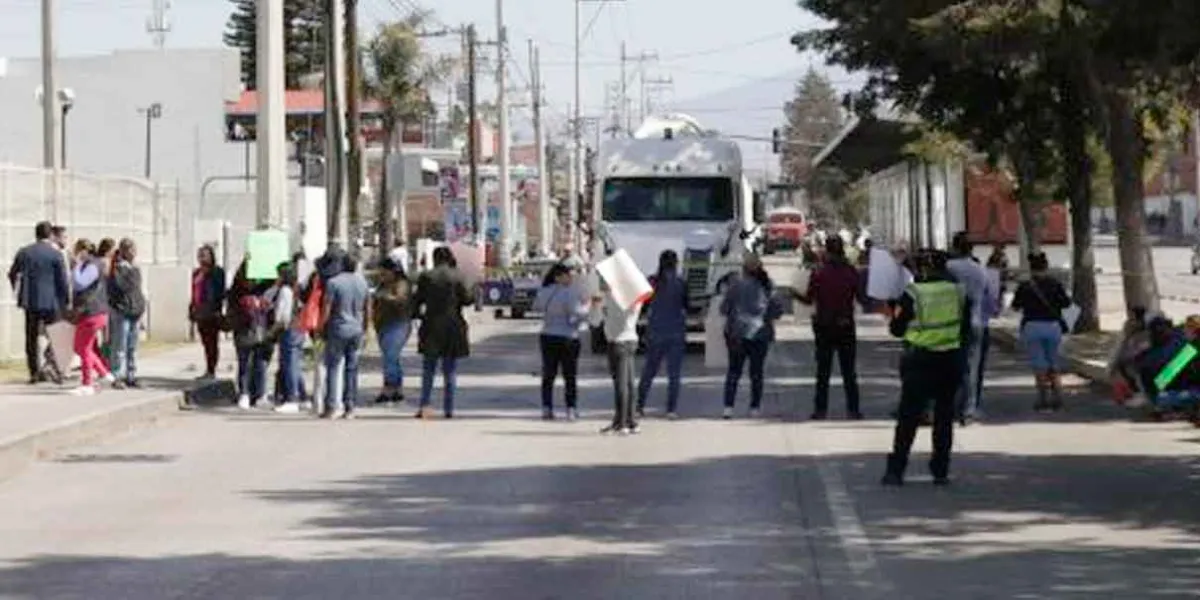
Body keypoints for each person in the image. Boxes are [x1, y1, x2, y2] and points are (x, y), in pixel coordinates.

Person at [881, 249, 970, 487]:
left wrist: (894, 309)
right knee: (943, 417)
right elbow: (966, 329)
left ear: (924, 269)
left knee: (908, 417)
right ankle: (940, 469)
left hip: (919, 361)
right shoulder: (959, 292)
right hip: (949, 360)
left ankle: (896, 470)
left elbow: (897, 329)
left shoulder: (914, 292)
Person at [798, 236, 863, 420]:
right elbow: (860, 295)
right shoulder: (851, 271)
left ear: (827, 250)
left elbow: (809, 299)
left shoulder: (819, 273)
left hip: (824, 326)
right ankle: (853, 410)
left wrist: (795, 294)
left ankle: (820, 410)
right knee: (849, 371)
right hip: (845, 325)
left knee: (823, 372)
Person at [411, 247, 474, 419]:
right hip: (453, 325)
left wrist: (416, 315)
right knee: (450, 370)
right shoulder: (458, 276)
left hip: (431, 325)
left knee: (428, 369)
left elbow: (416, 301)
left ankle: (425, 405)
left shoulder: (426, 276)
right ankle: (449, 408)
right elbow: (468, 299)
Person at [720, 253, 784, 419]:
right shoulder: (768, 285)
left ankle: (728, 407)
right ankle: (754, 407)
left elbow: (724, 308)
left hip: (737, 332)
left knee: (734, 371)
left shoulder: (735, 285)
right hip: (760, 333)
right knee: (756, 372)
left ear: (744, 268)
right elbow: (777, 310)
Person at [7, 221, 70, 384]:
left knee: (31, 337)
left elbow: (12, 273)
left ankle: (34, 372)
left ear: (36, 234)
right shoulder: (55, 254)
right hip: (52, 300)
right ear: (50, 235)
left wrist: (18, 290)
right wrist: (65, 300)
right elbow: (62, 280)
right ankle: (57, 369)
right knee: (57, 335)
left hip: (30, 300)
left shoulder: (24, 252)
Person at [1011, 251, 1072, 412]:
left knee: (1039, 364)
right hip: (1053, 326)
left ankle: (1042, 398)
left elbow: (1015, 306)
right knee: (1053, 362)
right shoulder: (1055, 283)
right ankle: (1058, 396)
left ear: (1031, 268)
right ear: (1047, 266)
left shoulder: (1025, 286)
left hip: (1032, 326)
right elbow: (1067, 304)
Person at [532, 262, 589, 420]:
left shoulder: (544, 291)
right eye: (567, 275)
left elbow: (536, 307)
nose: (570, 278)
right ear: (558, 277)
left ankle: (546, 407)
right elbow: (577, 312)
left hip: (547, 334)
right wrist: (588, 307)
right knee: (569, 375)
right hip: (568, 336)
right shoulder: (569, 293)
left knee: (548, 374)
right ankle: (570, 408)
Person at [637, 250, 687, 419]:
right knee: (674, 373)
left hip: (656, 329)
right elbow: (686, 304)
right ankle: (671, 409)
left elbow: (642, 303)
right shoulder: (681, 282)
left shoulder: (652, 281)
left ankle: (639, 405)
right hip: (676, 330)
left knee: (649, 370)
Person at [946, 232, 991, 422]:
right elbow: (989, 295)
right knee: (972, 367)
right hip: (976, 321)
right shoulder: (980, 270)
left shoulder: (948, 268)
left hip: (950, 323)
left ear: (954, 247)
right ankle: (969, 408)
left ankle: (951, 404)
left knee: (950, 366)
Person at [319, 254, 369, 419]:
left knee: (333, 367)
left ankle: (332, 406)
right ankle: (350, 406)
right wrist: (366, 329)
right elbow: (368, 308)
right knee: (351, 368)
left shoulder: (334, 282)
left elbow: (327, 307)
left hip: (338, 328)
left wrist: (321, 326)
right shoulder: (363, 283)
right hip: (356, 328)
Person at [68, 239, 116, 395]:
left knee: (83, 348)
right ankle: (104, 373)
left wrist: (76, 265)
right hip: (93, 312)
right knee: (79, 347)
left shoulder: (92, 266)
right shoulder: (93, 264)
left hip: (91, 312)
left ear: (82, 251)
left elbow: (80, 283)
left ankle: (87, 383)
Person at [228, 260, 273, 409]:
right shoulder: (238, 291)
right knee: (247, 362)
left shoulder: (263, 288)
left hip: (256, 329)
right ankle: (247, 393)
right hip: (248, 329)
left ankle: (254, 393)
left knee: (255, 363)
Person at [600, 278, 642, 434]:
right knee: (630, 382)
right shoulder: (634, 300)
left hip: (617, 342)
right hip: (631, 339)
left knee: (620, 384)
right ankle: (631, 420)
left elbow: (602, 315)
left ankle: (621, 422)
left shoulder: (613, 298)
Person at [372, 256, 413, 404]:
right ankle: (397, 389)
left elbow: (400, 300)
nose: (382, 275)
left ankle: (388, 388)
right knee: (391, 358)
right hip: (383, 324)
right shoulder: (382, 284)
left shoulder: (401, 283)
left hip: (398, 324)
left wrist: (384, 297)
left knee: (390, 356)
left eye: (384, 272)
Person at [107, 238, 146, 389]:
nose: (133, 253)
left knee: (132, 346)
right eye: (130, 250)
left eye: (134, 250)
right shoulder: (118, 268)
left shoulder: (135, 268)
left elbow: (137, 289)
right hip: (122, 310)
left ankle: (131, 374)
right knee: (120, 345)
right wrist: (129, 272)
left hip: (135, 310)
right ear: (123, 251)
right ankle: (117, 375)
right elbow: (122, 287)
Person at [270, 262, 305, 413]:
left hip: (288, 329)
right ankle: (300, 395)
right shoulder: (296, 288)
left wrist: (272, 330)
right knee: (295, 364)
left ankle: (292, 398)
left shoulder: (284, 290)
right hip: (299, 328)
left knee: (289, 364)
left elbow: (282, 316)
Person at [189, 245, 226, 379]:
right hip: (200, 312)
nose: (202, 258)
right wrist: (192, 309)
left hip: (211, 313)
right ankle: (208, 368)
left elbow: (219, 292)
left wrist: (217, 309)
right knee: (205, 342)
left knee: (212, 343)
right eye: (200, 255)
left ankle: (211, 370)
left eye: (205, 255)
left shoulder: (217, 272)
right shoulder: (196, 273)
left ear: (211, 256)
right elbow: (194, 292)